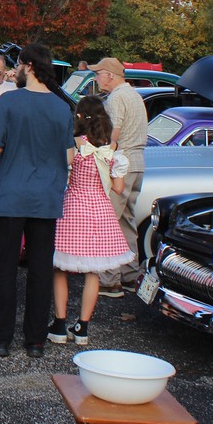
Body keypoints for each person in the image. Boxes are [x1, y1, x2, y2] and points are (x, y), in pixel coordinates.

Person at [0, 43, 74, 359]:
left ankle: (1, 339)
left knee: (5, 268)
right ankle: (35, 341)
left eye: (17, 65)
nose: (13, 70)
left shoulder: (10, 101)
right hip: (46, 197)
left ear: (29, 66)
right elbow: (70, 155)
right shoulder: (62, 107)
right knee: (40, 269)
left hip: (11, 195)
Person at [47, 96, 133, 347]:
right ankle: (82, 327)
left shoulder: (74, 145)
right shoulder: (111, 150)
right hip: (98, 210)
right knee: (92, 272)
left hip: (73, 206)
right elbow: (117, 188)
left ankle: (59, 324)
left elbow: (64, 174)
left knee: (61, 267)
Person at [93, 56, 147, 297]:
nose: (96, 78)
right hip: (137, 162)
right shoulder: (135, 95)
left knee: (108, 220)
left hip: (120, 163)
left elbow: (113, 134)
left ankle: (109, 279)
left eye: (98, 73)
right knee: (126, 219)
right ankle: (129, 273)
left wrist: (102, 155)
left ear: (110, 76)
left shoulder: (116, 98)